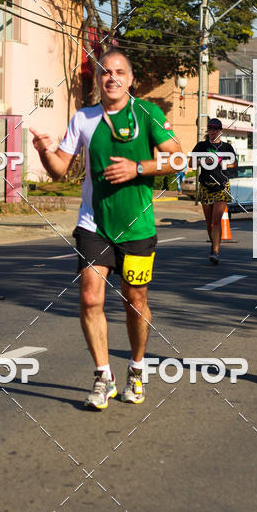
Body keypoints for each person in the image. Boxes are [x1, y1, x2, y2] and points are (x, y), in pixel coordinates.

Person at [30, 49, 181, 411]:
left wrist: (138, 168)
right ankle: (102, 376)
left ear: (130, 80)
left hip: (138, 227)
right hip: (93, 224)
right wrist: (43, 151)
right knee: (90, 297)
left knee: (135, 300)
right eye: (104, 73)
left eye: (118, 72)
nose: (110, 78)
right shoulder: (84, 118)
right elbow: (58, 171)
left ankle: (137, 368)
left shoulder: (148, 114)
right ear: (98, 80)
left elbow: (178, 158)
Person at [192, 119, 236, 265]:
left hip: (222, 186)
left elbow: (234, 164)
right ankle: (214, 245)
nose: (212, 131)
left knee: (216, 221)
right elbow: (191, 163)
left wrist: (220, 161)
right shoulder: (201, 146)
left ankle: (215, 251)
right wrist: (204, 161)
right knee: (209, 223)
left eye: (215, 129)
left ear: (220, 131)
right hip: (205, 185)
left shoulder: (227, 147)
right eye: (210, 128)